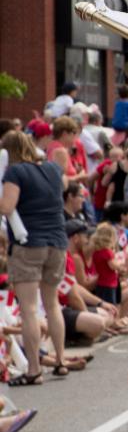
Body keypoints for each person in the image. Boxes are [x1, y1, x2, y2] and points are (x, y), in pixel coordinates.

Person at [0, 130, 69, 384]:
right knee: (52, 305)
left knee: (29, 309)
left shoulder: (15, 172)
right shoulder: (51, 169)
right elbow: (63, 187)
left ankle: (34, 370)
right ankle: (60, 361)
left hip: (29, 243)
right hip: (57, 242)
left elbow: (7, 206)